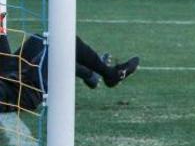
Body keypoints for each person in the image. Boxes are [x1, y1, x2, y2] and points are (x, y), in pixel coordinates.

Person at [0, 14, 140, 113]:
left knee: (40, 39)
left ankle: (93, 74)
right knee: (63, 41)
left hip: (9, 76)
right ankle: (106, 74)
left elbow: (5, 63)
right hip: (23, 91)